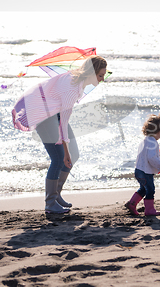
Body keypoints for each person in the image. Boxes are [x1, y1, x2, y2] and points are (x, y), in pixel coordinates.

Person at [12, 55, 108, 213]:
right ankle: (50, 203)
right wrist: (65, 150)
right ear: (92, 73)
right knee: (59, 158)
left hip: (53, 111)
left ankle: (56, 195)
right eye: (100, 75)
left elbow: (62, 118)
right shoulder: (72, 88)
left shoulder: (77, 81)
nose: (102, 79)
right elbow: (63, 122)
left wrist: (68, 152)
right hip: (43, 114)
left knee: (74, 154)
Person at [125, 114, 160, 216]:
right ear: (157, 131)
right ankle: (149, 210)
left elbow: (145, 154)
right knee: (150, 189)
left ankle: (132, 203)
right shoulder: (153, 142)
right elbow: (151, 158)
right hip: (145, 172)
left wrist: (157, 153)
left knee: (143, 189)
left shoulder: (146, 140)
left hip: (139, 170)